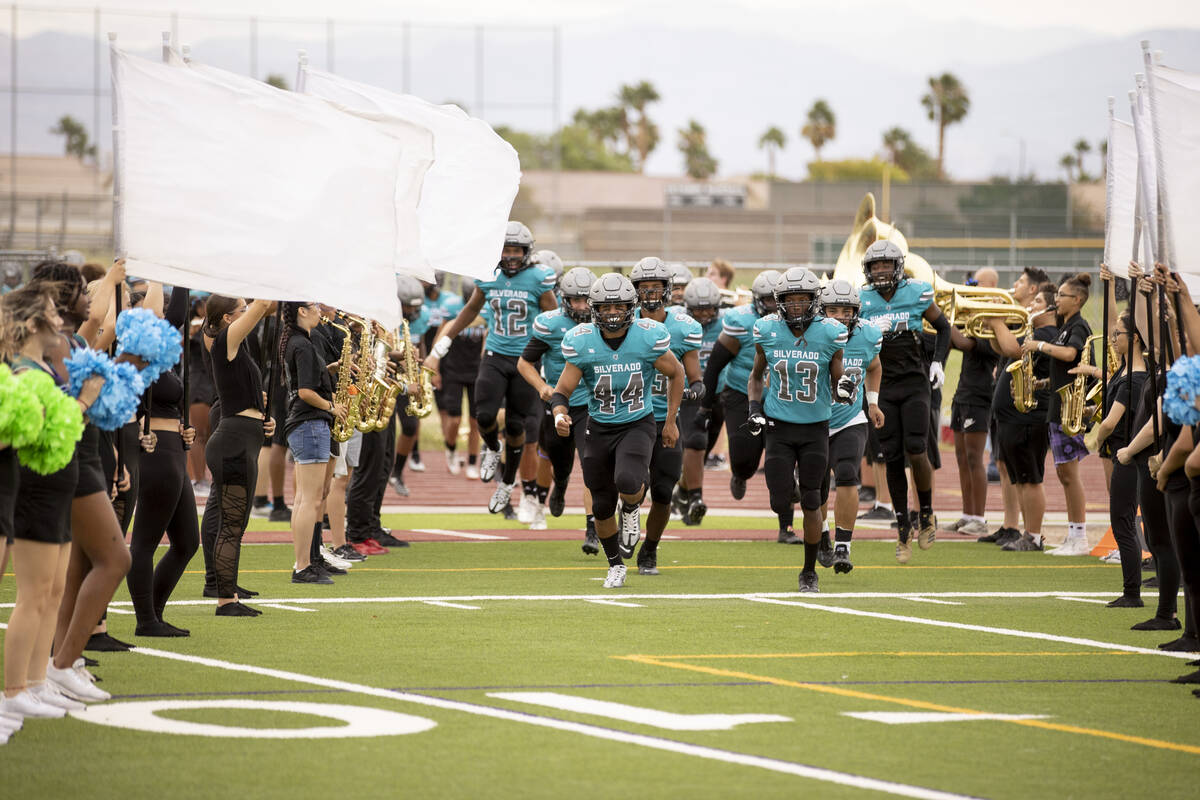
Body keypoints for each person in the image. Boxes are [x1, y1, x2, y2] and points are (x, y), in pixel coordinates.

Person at [31, 261, 135, 701]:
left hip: (90, 454)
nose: (88, 292)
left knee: (77, 570)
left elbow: (104, 326)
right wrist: (112, 278)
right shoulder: (56, 343)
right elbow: (101, 321)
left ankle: (62, 661)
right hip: (73, 457)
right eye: (80, 287)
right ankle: (59, 664)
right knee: (115, 560)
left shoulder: (72, 340)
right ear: (61, 295)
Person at [550, 273, 683, 589]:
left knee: (627, 480)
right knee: (600, 505)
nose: (612, 313)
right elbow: (561, 391)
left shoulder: (648, 336)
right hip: (599, 427)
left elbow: (676, 374)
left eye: (619, 306)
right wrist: (559, 415)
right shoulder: (582, 340)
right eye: (606, 307)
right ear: (595, 309)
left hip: (637, 423)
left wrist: (671, 421)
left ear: (631, 306)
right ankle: (615, 565)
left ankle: (634, 505)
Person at [0, 285, 96, 718]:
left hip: (59, 485)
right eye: (53, 315)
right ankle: (15, 687)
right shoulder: (21, 372)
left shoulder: (40, 364)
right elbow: (38, 430)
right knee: (34, 594)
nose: (61, 321)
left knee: (53, 591)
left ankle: (37, 680)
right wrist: (84, 401)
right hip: (36, 488)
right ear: (35, 322)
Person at [424, 221, 557, 513]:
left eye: (515, 250)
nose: (510, 255)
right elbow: (470, 310)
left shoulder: (538, 278)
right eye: (505, 250)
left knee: (515, 425)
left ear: (526, 252)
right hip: (495, 354)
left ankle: (508, 484)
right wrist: (441, 347)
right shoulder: (489, 276)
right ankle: (493, 450)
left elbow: (554, 316)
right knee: (483, 414)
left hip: (526, 360)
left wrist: (556, 357)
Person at [749, 267, 850, 593]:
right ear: (780, 302)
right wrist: (754, 408)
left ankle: (808, 571)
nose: (795, 306)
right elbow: (756, 375)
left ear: (813, 300)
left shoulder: (830, 333)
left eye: (801, 299)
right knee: (780, 500)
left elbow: (838, 377)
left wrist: (844, 388)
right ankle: (804, 525)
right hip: (778, 426)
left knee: (810, 500)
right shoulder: (767, 330)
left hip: (815, 428)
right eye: (789, 300)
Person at [856, 241, 951, 564]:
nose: (881, 271)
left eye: (886, 264)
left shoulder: (916, 292)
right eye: (876, 266)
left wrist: (938, 362)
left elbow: (943, 326)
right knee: (890, 455)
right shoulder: (863, 300)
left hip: (913, 381)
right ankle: (901, 524)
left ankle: (925, 511)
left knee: (916, 447)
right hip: (882, 385)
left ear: (897, 266)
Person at [126, 286, 199, 636]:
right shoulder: (135, 351)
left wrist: (185, 429)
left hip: (173, 449)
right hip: (154, 452)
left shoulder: (160, 360)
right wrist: (171, 272)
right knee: (144, 542)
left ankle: (153, 611)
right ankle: (146, 620)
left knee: (187, 542)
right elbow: (172, 317)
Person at [199, 295, 276, 616]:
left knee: (233, 521)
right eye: (241, 311)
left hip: (241, 439)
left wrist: (264, 418)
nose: (248, 314)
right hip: (232, 442)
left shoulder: (238, 350)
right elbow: (263, 305)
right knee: (232, 524)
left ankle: (224, 587)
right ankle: (225, 599)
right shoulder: (224, 341)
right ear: (229, 319)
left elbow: (247, 398)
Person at [629, 257, 704, 574]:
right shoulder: (622, 320)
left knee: (662, 489)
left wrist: (694, 391)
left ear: (667, 289)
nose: (648, 294)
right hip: (630, 418)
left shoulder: (683, 327)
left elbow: (695, 376)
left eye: (654, 287)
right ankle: (628, 513)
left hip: (667, 419)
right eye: (643, 288)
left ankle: (649, 550)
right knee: (632, 482)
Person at [698, 270, 784, 530]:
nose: (771, 305)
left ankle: (786, 526)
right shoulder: (742, 321)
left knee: (780, 460)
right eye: (766, 300)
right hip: (740, 393)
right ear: (757, 300)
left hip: (782, 398)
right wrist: (705, 405)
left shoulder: (795, 322)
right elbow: (714, 364)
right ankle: (740, 473)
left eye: (775, 299)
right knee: (744, 459)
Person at [518, 267, 597, 543]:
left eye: (587, 299)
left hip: (592, 404)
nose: (583, 306)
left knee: (592, 464)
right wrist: (543, 388)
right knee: (560, 465)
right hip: (559, 405)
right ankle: (560, 486)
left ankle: (592, 527)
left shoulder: (607, 322)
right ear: (565, 299)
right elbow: (524, 362)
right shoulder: (550, 324)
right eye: (576, 300)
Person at [982, 283, 1058, 550]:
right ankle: (1028, 534)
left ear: (1051, 308)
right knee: (1021, 478)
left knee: (1030, 478)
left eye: (1038, 301)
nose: (1032, 304)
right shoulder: (1035, 331)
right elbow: (1003, 349)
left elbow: (1015, 350)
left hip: (1029, 415)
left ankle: (1034, 536)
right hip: (1014, 416)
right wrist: (994, 326)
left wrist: (997, 320)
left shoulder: (1047, 333)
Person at [816, 279, 883, 574]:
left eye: (846, 309)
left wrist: (872, 402)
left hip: (849, 418)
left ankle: (843, 544)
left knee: (846, 475)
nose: (841, 315)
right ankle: (821, 534)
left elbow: (874, 366)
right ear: (822, 310)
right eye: (833, 309)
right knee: (814, 487)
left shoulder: (868, 334)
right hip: (813, 419)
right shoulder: (810, 334)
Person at [280, 301, 348, 585]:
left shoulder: (299, 341)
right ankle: (303, 565)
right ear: (301, 312)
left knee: (305, 499)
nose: (320, 310)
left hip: (304, 423)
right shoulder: (302, 344)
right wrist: (332, 407)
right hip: (310, 422)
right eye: (312, 306)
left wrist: (329, 369)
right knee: (308, 499)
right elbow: (306, 391)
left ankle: (306, 561)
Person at [1026, 273, 1092, 556]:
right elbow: (1065, 370)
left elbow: (1069, 355)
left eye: (1062, 296)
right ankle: (1072, 535)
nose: (1057, 301)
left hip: (1070, 408)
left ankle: (1079, 537)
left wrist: (1039, 346)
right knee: (1064, 473)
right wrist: (1042, 383)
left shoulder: (1078, 326)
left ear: (1076, 300)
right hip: (1058, 405)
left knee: (1069, 473)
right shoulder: (1065, 326)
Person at [1092, 305, 1146, 602]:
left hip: (1127, 455)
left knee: (1122, 521)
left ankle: (1132, 592)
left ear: (1135, 338)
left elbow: (1111, 422)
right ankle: (1131, 589)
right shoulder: (1125, 372)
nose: (1113, 339)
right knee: (1122, 520)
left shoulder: (1133, 379)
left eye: (1119, 334)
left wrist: (1094, 439)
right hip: (1121, 453)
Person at [944, 268, 1001, 537]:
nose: (972, 286)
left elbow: (967, 344)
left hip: (980, 394)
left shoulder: (997, 316)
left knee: (974, 458)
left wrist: (945, 320)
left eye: (977, 283)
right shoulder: (975, 314)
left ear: (990, 284)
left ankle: (979, 517)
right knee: (961, 457)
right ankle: (967, 515)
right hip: (963, 392)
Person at [673, 277, 724, 525]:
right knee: (695, 442)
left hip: (719, 393)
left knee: (700, 453)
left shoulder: (728, 323)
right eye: (698, 309)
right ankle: (695, 497)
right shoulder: (677, 321)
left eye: (708, 309)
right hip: (690, 393)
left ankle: (684, 490)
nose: (704, 315)